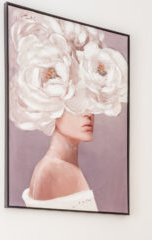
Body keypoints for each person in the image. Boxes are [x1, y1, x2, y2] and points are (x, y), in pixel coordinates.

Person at [8, 9, 128, 211]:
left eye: (91, 100)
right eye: (77, 101)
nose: (88, 113)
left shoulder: (67, 167)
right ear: (52, 103)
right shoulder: (49, 172)